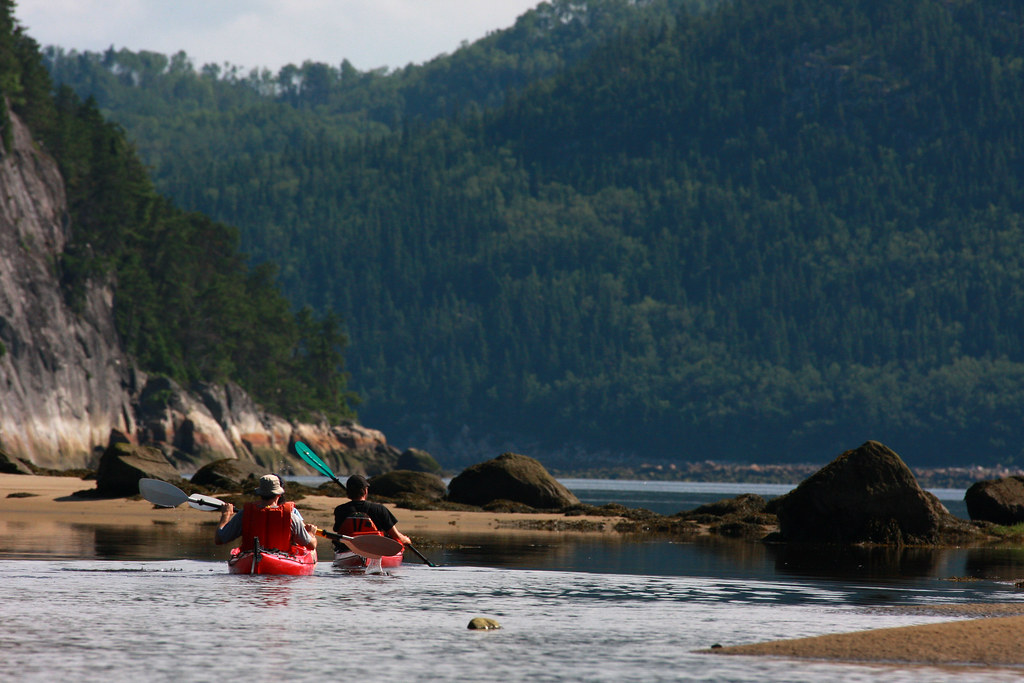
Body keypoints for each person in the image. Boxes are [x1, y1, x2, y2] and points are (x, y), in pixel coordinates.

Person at [215, 474, 318, 552]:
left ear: (260, 493)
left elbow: (220, 539)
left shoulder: (245, 514)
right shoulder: (291, 516)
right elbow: (311, 546)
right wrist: (311, 534)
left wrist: (226, 515)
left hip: (251, 558)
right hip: (281, 558)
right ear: (279, 494)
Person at [332, 474, 411, 550]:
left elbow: (338, 531)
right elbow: (396, 536)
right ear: (365, 491)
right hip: (375, 549)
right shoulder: (380, 509)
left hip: (348, 549)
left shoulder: (340, 510)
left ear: (348, 493)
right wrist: (406, 540)